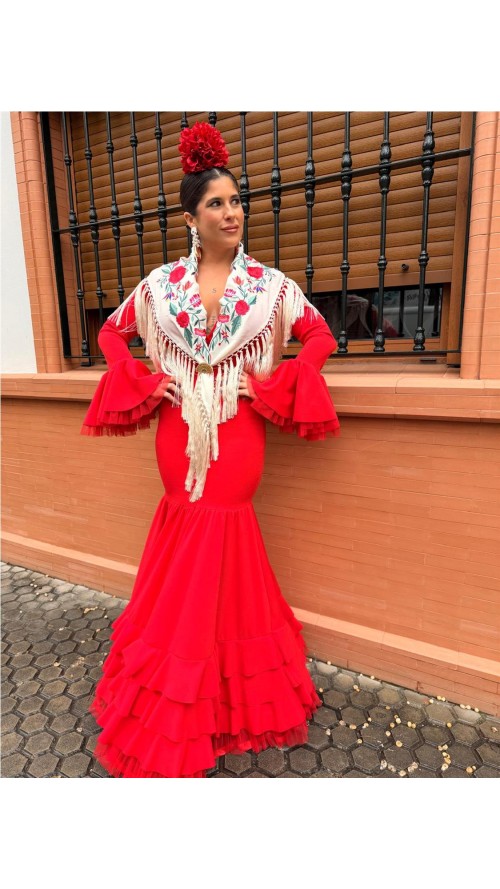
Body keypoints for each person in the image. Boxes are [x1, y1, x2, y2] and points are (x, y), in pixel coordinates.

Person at [80, 122, 341, 778]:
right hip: (178, 435)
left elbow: (319, 338)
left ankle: (216, 694)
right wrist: (143, 378)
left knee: (223, 539)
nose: (233, 212)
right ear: (191, 217)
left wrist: (276, 382)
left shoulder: (272, 288)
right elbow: (111, 333)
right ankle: (181, 696)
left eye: (236, 201)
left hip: (238, 433)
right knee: (183, 547)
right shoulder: (161, 286)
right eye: (217, 203)